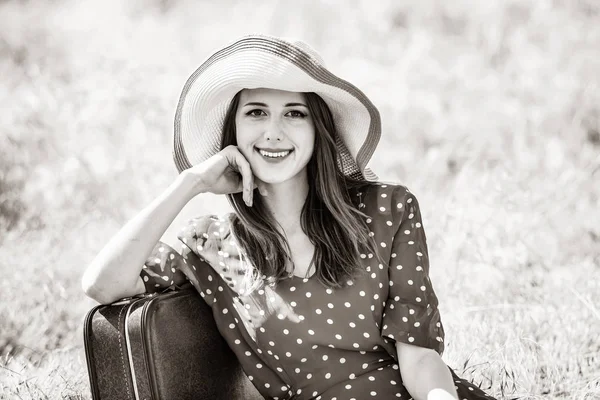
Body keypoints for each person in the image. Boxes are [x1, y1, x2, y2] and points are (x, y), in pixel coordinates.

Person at [82, 35, 496, 400]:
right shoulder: (212, 247)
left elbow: (420, 359)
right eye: (256, 112)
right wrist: (190, 183)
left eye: (294, 113)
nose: (273, 132)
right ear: (234, 131)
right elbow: (101, 283)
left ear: (318, 129)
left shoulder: (386, 210)